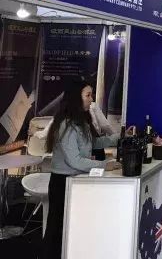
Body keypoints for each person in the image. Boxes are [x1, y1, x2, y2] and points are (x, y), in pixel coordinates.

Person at [42, 81, 122, 259]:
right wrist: (103, 165)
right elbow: (75, 160)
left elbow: (93, 143)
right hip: (62, 184)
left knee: (71, 230)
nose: (91, 100)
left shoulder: (81, 121)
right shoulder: (66, 125)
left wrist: (119, 137)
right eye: (88, 95)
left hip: (76, 182)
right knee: (57, 230)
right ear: (75, 97)